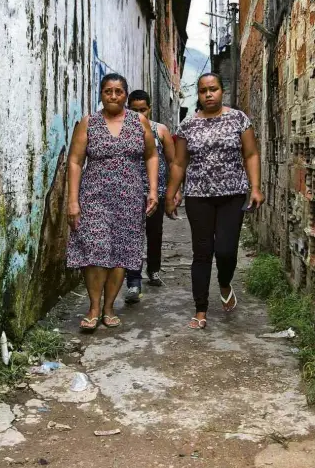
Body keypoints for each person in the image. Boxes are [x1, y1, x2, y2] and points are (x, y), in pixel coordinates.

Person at [165, 73, 264, 329]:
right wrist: (171, 193)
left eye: (213, 89)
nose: (209, 94)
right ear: (198, 95)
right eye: (203, 91)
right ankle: (200, 310)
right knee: (202, 252)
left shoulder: (238, 119)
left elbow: (251, 154)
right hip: (199, 196)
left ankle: (224, 282)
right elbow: (179, 162)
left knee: (226, 250)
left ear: (221, 91)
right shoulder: (188, 126)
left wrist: (255, 187)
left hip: (232, 194)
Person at [67, 74, 158, 330]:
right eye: (108, 91)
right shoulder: (89, 123)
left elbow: (151, 155)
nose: (114, 96)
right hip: (94, 196)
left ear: (126, 95)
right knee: (94, 249)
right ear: (101, 94)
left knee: (121, 251)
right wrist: (73, 201)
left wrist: (152, 190)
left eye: (119, 91)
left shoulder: (139, 122)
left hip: (129, 197)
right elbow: (75, 162)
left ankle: (109, 307)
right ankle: (94, 306)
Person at [125, 90, 181, 303]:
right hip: (128, 192)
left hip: (154, 192)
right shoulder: (122, 130)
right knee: (132, 236)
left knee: (154, 233)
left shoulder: (160, 130)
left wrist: (175, 191)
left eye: (143, 109)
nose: (139, 113)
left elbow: (173, 161)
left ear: (150, 108)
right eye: (134, 110)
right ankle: (133, 282)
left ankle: (154, 269)